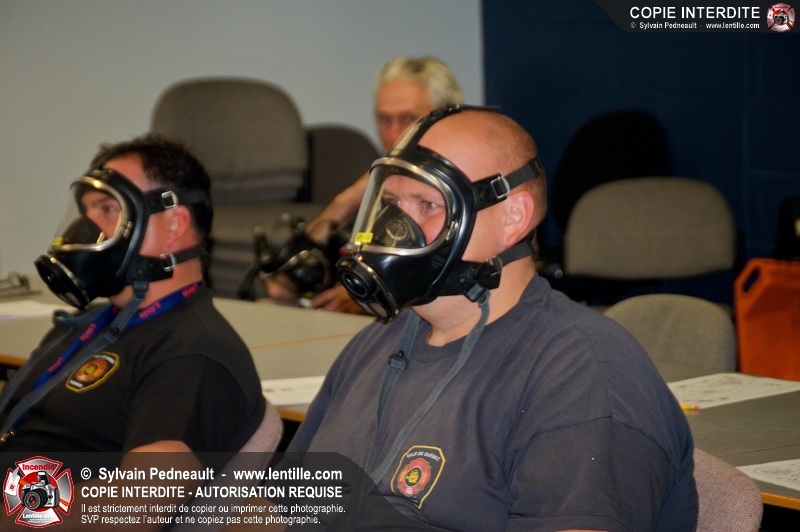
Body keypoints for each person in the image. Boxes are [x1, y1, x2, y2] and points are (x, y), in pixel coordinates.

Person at [288, 106, 698, 530]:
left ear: (513, 218)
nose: (395, 229)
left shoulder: (582, 375)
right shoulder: (380, 340)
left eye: (428, 204)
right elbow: (278, 506)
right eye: (391, 203)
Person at [0, 136, 265, 464]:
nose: (85, 228)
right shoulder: (84, 326)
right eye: (86, 211)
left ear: (173, 225)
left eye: (108, 209)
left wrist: (21, 500)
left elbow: (148, 493)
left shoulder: (193, 352)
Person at [264, 55, 463, 313]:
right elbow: (281, 287)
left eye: (408, 119)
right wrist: (345, 201)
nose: (394, 135)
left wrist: (365, 293)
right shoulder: (375, 186)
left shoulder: (461, 192)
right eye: (385, 120)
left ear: (443, 119)